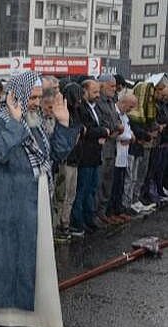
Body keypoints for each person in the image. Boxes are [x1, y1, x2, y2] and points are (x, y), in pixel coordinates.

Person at [0, 71, 77, 327]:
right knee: (8, 263)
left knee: (36, 265)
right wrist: (16, 123)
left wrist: (65, 124)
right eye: (30, 97)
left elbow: (54, 154)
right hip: (7, 208)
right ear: (14, 96)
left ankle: (27, 325)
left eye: (36, 97)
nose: (34, 103)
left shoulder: (36, 124)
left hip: (35, 204)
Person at [70, 80, 110, 235]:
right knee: (82, 190)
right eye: (94, 92)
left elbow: (94, 128)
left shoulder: (94, 108)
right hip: (85, 156)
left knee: (92, 188)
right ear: (84, 91)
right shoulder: (81, 108)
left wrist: (101, 131)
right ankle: (79, 222)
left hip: (95, 155)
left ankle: (90, 219)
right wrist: (103, 131)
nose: (97, 95)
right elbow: (86, 130)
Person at [55, 83, 86, 238]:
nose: (80, 100)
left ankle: (65, 222)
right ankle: (59, 225)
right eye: (77, 96)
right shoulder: (64, 111)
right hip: (66, 159)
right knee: (63, 194)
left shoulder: (77, 111)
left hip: (75, 159)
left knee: (71, 193)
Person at [95, 74, 125, 225]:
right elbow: (102, 122)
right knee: (100, 181)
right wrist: (115, 128)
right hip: (103, 145)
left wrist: (118, 127)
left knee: (108, 180)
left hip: (112, 144)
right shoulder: (98, 102)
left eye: (114, 86)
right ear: (102, 85)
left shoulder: (112, 101)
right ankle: (96, 213)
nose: (114, 89)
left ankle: (103, 210)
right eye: (111, 86)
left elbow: (117, 119)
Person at [107, 95, 137, 220]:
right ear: (124, 102)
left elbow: (129, 132)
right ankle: (110, 211)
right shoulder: (114, 113)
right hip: (115, 154)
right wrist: (129, 137)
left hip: (124, 155)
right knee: (112, 186)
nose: (131, 109)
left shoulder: (125, 116)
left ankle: (118, 210)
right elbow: (117, 134)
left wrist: (130, 137)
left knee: (120, 184)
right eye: (130, 106)